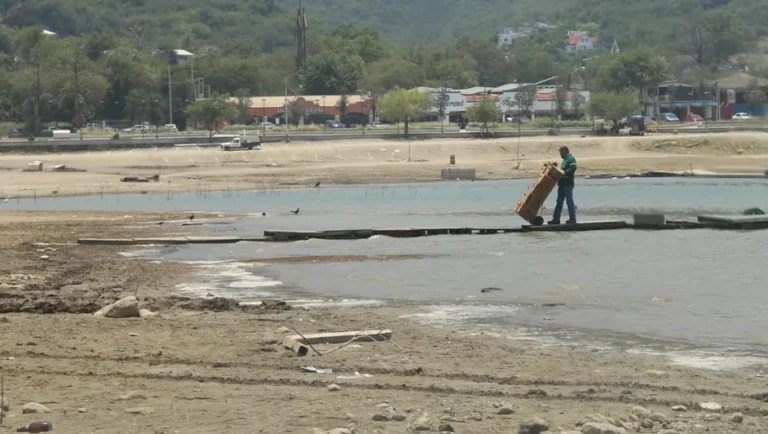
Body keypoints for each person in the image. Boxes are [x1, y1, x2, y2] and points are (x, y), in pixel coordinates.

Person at [549, 146, 577, 225]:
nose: (560, 154)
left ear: (565, 151)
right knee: (559, 201)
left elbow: (573, 167)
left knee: (569, 201)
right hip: (562, 184)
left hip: (568, 184)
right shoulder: (565, 160)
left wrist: (566, 173)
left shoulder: (570, 158)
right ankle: (556, 219)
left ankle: (572, 219)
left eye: (561, 152)